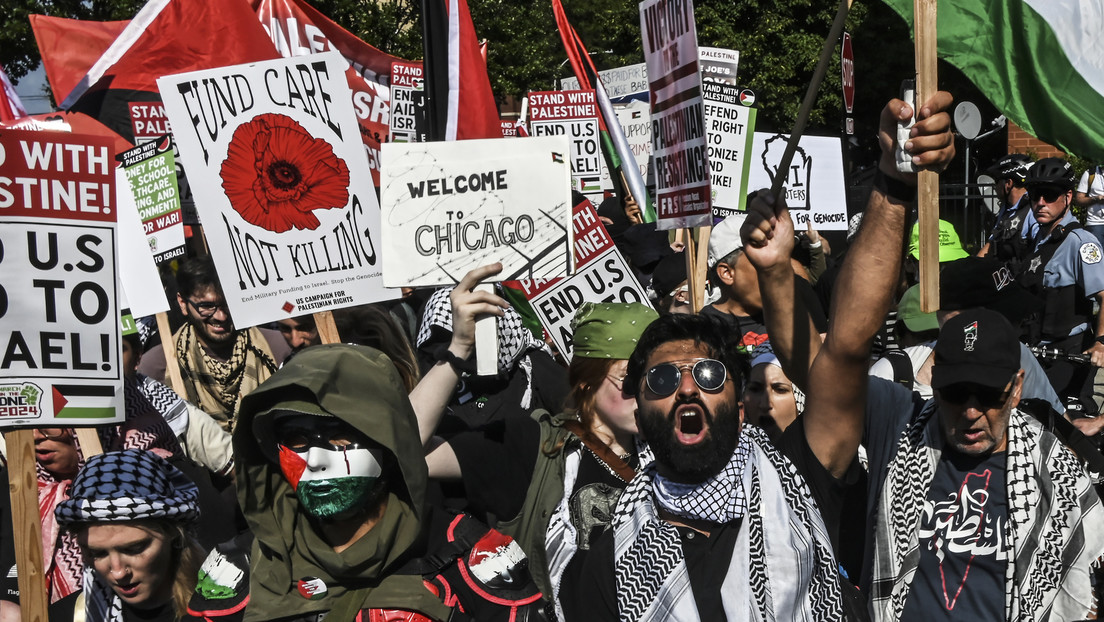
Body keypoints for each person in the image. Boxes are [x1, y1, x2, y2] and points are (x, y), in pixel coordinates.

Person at [749, 94, 1103, 619]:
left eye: (989, 394)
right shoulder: (902, 424)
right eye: (955, 393)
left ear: (1018, 387)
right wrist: (777, 272)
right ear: (933, 384)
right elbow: (830, 362)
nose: (972, 410)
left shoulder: (1056, 460)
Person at [185, 344, 545, 622]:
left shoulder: (469, 558)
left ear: (389, 442)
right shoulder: (237, 569)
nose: (315, 460)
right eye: (296, 438)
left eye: (339, 435)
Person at [419, 281, 658, 616]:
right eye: (631, 379)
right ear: (587, 379)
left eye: (661, 378)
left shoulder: (671, 448)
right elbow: (408, 450)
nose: (649, 392)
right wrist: (458, 347)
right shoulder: (533, 444)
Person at [49, 449, 205, 622]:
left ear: (173, 533)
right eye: (98, 553)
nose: (118, 573)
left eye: (134, 549)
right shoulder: (68, 616)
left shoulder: (229, 610)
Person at [138, 257, 290, 430]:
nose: (221, 316)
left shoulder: (276, 349)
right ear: (183, 303)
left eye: (227, 304)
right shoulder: (158, 367)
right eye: (207, 306)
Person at [1016, 157, 1104, 414]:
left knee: (1066, 424)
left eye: (1049, 195)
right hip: (1035, 352)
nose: (1040, 202)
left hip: (1068, 355)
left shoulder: (1081, 242)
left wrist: (1101, 343)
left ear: (1067, 197)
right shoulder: (1039, 239)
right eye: (1034, 194)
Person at [701, 213, 827, 356]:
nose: (778, 270)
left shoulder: (796, 310)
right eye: (762, 260)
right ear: (727, 273)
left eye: (780, 258)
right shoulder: (702, 331)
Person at [977, 153, 1033, 264]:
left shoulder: (1033, 212)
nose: (995, 186)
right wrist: (971, 266)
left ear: (1008, 184)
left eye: (997, 181)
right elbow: (992, 244)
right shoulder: (1006, 210)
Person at [1074, 163, 1104, 245]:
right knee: (1096, 255)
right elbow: (1079, 200)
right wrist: (1096, 199)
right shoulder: (1090, 173)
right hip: (1095, 223)